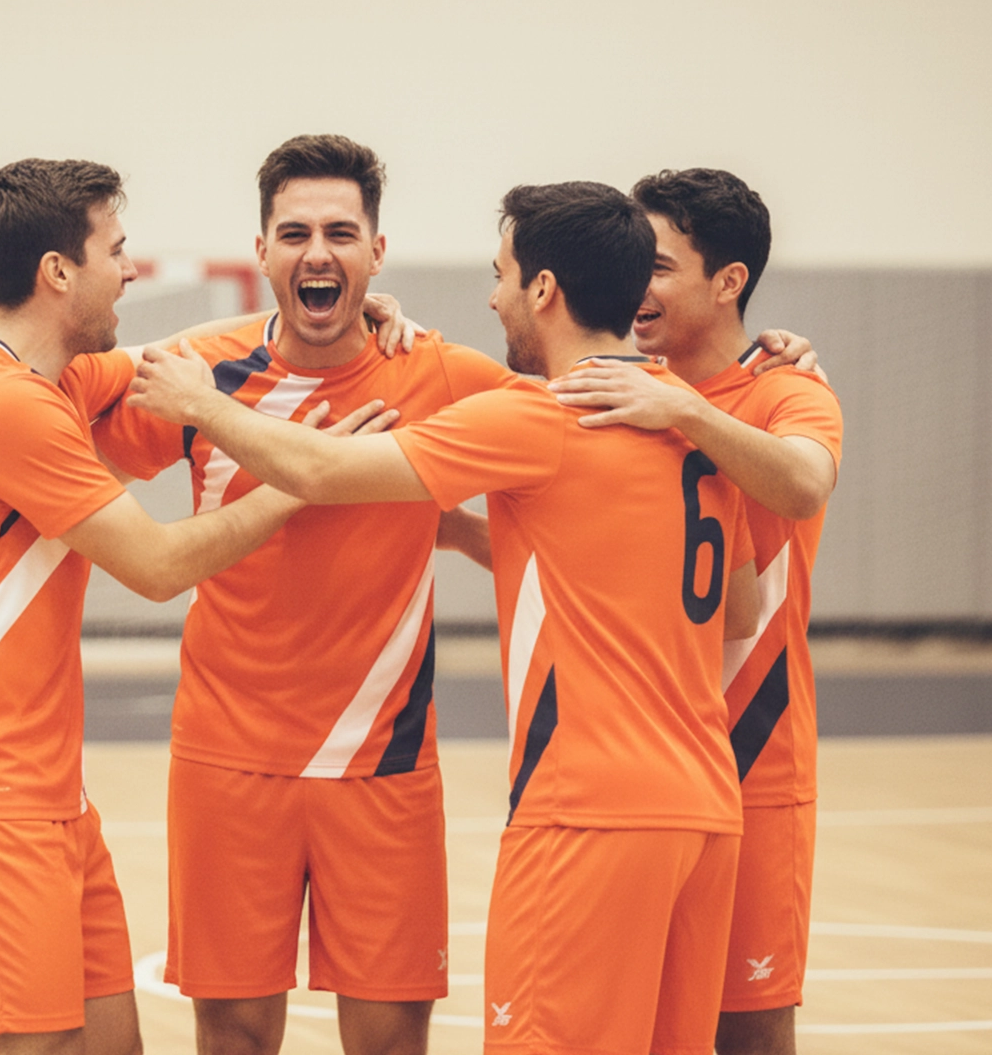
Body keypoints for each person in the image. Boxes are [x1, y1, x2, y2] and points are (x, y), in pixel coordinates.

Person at [127, 179, 761, 1055]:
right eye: (297, 233)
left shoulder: (526, 410)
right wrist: (464, 528)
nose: (491, 296)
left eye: (501, 275)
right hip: (705, 801)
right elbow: (741, 605)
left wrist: (202, 405)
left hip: (580, 806)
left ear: (542, 289)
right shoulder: (698, 419)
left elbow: (320, 472)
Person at [0, 158, 388, 1055]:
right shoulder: (0, 407)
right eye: (116, 249)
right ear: (58, 272)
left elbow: (182, 360)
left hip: (46, 794)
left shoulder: (52, 383)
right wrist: (308, 475)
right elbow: (155, 564)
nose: (132, 269)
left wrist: (337, 319)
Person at [77, 134, 517, 1055]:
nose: (318, 251)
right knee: (234, 1034)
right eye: (296, 233)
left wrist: (762, 369)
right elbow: (54, 409)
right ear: (264, 252)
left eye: (342, 234)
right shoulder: (200, 369)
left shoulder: (439, 373)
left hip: (385, 760)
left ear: (376, 255)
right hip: (228, 756)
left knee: (392, 1037)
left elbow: (584, 395)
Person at [545, 169, 843, 1055]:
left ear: (729, 282)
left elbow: (801, 482)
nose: (638, 285)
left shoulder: (791, 391)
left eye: (662, 266)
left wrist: (684, 408)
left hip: (753, 751)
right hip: (635, 767)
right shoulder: (616, 389)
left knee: (748, 1030)